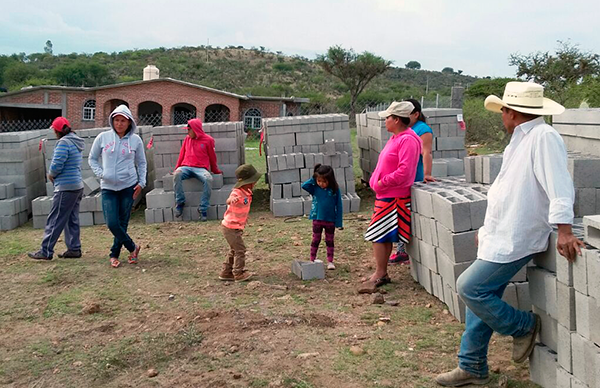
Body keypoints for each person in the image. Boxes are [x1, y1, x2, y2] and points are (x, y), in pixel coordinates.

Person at [435, 81, 584, 387]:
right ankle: (472, 365)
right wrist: (488, 229)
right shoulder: (520, 138)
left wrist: (565, 230)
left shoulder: (543, 137)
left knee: (471, 288)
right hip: (502, 234)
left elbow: (559, 186)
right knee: (482, 298)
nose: (501, 115)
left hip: (519, 237)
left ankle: (522, 326)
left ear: (513, 112)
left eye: (503, 109)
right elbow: (507, 191)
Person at [358, 101, 422, 294]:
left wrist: (381, 182)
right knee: (382, 235)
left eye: (387, 118)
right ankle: (381, 272)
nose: (385, 121)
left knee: (378, 234)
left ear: (396, 119)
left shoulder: (408, 140)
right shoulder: (397, 137)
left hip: (394, 196)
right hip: (386, 194)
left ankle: (380, 272)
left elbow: (404, 171)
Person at [89, 105, 147, 268]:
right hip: (108, 187)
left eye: (123, 121)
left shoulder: (135, 140)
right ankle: (132, 247)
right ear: (112, 121)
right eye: (116, 120)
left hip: (128, 187)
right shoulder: (102, 137)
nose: (120, 124)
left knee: (122, 222)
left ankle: (114, 254)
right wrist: (101, 173)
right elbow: (92, 159)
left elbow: (142, 163)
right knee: (112, 223)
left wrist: (141, 183)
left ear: (129, 123)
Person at [28, 117, 85, 260]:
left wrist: (51, 174)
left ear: (57, 130)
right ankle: (74, 248)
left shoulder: (63, 143)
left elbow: (57, 164)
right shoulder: (75, 141)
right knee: (71, 219)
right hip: (77, 186)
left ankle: (46, 251)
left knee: (55, 219)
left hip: (65, 187)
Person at [389, 98, 435, 265]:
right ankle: (401, 248)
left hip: (413, 175)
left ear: (416, 114)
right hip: (400, 176)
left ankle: (402, 251)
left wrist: (427, 174)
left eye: (407, 113)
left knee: (404, 212)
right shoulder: (405, 129)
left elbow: (426, 153)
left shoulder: (423, 129)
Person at [218, 164, 261, 282]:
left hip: (236, 227)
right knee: (240, 250)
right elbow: (229, 199)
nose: (255, 183)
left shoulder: (247, 191)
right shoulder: (237, 192)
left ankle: (226, 272)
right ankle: (238, 273)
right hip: (230, 227)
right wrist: (231, 200)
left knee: (234, 249)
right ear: (247, 181)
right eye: (253, 181)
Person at [173, 118, 222, 221]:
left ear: (195, 129)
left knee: (208, 179)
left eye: (189, 130)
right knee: (177, 174)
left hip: (200, 169)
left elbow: (212, 157)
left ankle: (203, 208)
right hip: (186, 167)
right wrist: (177, 168)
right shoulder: (187, 139)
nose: (187, 132)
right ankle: (180, 202)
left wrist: (215, 170)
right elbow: (182, 154)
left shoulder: (208, 140)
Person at [301, 164, 343, 270]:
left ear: (330, 180)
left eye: (324, 181)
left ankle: (330, 261)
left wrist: (339, 222)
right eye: (319, 181)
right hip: (317, 218)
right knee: (316, 239)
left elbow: (339, 205)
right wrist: (314, 178)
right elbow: (304, 186)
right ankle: (312, 259)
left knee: (329, 240)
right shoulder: (315, 188)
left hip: (330, 220)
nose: (321, 184)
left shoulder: (334, 190)